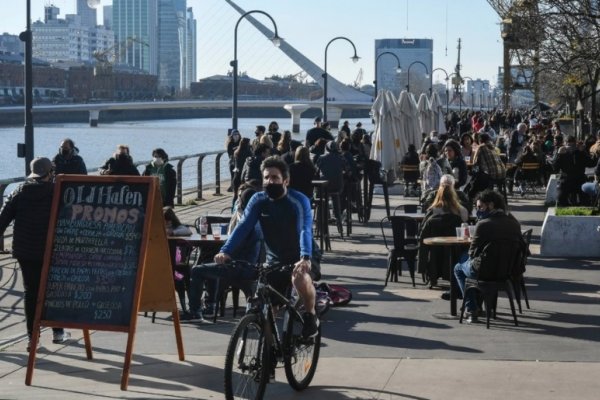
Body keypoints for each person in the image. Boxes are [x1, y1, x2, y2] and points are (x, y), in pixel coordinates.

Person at [214, 157, 320, 338]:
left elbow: (305, 229)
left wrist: (305, 257)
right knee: (266, 307)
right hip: (274, 259)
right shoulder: (258, 199)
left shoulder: (298, 200)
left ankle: (311, 316)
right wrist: (225, 251)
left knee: (299, 278)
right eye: (266, 178)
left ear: (285, 180)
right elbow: (243, 227)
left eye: (275, 177)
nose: (270, 181)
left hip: (304, 255)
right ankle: (268, 351)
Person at [0, 157, 70, 351]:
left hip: (25, 251)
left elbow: (2, 219)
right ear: (49, 173)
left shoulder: (18, 191)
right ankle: (58, 331)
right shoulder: (58, 192)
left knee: (31, 293)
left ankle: (33, 338)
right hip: (52, 251)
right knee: (53, 290)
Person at [185, 186, 263, 320]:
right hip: (252, 265)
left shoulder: (245, 223)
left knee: (198, 270)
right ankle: (210, 305)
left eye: (239, 199)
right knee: (209, 266)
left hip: (238, 266)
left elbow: (236, 245)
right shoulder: (259, 220)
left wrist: (225, 252)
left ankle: (197, 311)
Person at [454, 190, 523, 323]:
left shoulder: (483, 224)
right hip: (507, 271)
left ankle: (471, 308)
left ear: (490, 205)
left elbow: (472, 253)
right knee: (467, 261)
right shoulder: (514, 223)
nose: (478, 211)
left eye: (480, 207)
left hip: (484, 271)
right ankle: (479, 304)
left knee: (459, 267)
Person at [164, 207, 193, 315]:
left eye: (168, 221)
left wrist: (172, 232)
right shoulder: (158, 229)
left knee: (185, 273)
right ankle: (188, 307)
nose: (166, 223)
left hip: (177, 265)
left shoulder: (177, 228)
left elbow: (187, 230)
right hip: (164, 268)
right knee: (183, 273)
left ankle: (191, 306)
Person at [553, 135, 593, 206]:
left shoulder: (580, 153)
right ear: (565, 144)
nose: (571, 148)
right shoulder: (562, 153)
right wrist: (559, 154)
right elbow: (555, 168)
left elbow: (591, 164)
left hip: (579, 179)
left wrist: (583, 152)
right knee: (560, 199)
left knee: (586, 200)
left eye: (573, 145)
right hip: (566, 179)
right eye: (569, 145)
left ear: (575, 144)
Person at [468, 133, 506, 201]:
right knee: (479, 177)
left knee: (475, 180)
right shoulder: (493, 147)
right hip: (502, 174)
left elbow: (474, 162)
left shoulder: (481, 147)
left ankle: (472, 198)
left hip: (492, 175)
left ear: (479, 140)